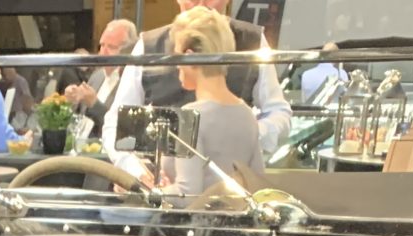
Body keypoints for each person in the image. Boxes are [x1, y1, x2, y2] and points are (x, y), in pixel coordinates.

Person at [104, 0, 289, 157]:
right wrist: (135, 171)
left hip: (229, 176)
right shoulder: (148, 46)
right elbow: (115, 122)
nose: (200, 4)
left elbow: (278, 113)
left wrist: (246, 135)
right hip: (157, 176)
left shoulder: (253, 43)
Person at [127, 8, 260, 194]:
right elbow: (257, 183)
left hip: (195, 213)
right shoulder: (247, 115)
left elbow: (187, 194)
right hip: (236, 212)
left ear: (189, 56)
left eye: (176, 56)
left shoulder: (191, 117)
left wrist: (151, 191)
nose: (176, 66)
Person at [63, 18, 136, 133]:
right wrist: (73, 100)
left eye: (111, 47)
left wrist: (94, 104)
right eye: (102, 45)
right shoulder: (97, 76)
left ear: (128, 51)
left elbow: (124, 128)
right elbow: (80, 117)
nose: (103, 52)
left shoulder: (131, 83)